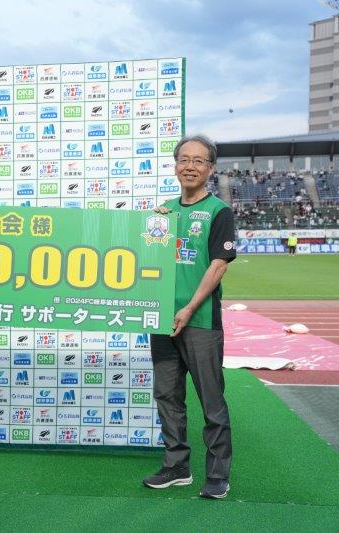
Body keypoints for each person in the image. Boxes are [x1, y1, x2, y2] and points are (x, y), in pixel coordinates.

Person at [142, 134, 236, 500]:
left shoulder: (218, 211)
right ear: (175, 165)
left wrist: (188, 308)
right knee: (167, 396)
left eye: (199, 160)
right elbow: (145, 259)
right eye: (184, 159)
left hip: (199, 322)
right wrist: (149, 227)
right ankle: (176, 466)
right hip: (163, 321)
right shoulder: (163, 213)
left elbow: (218, 266)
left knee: (211, 401)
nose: (190, 166)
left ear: (210, 168)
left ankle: (218, 475)